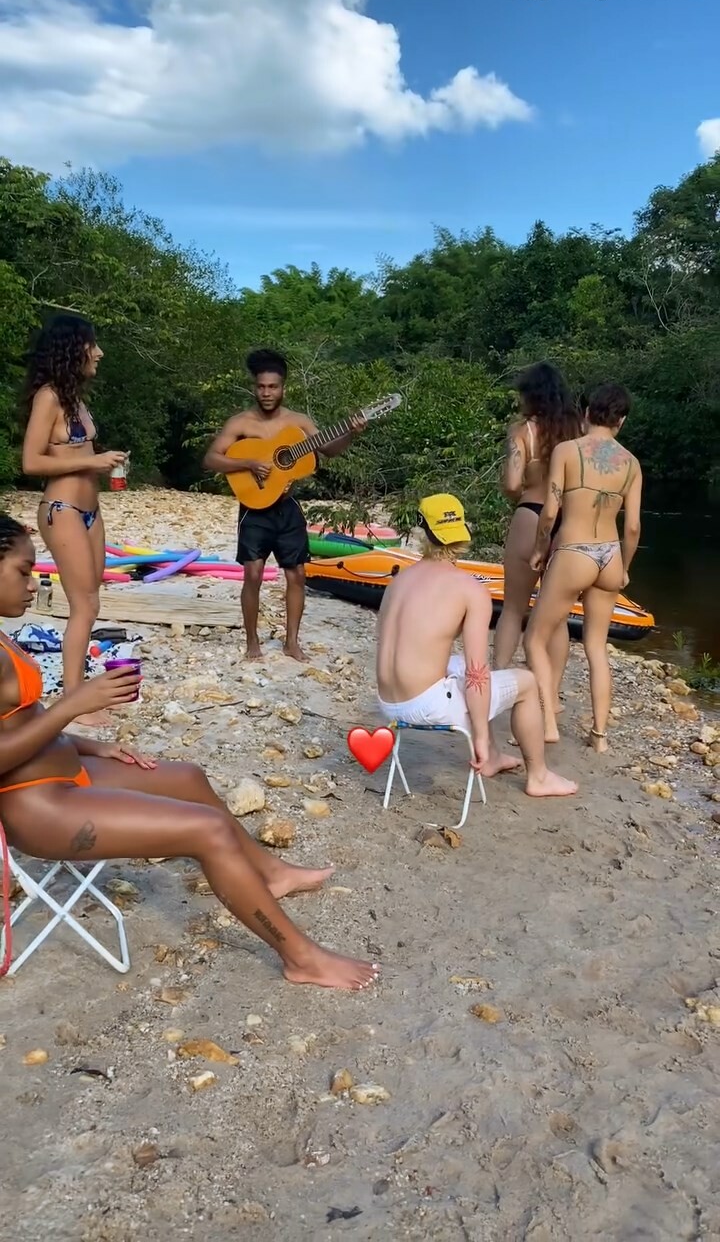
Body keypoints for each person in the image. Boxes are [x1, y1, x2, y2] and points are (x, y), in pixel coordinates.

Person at [0, 514, 379, 991]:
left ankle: (271, 872)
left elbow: (20, 721)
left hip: (64, 771)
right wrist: (72, 707)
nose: (33, 584)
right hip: (38, 808)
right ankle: (300, 957)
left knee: (186, 778)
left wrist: (93, 745)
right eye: (23, 571)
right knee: (207, 830)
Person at [375, 495, 578, 798]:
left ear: (422, 531)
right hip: (426, 706)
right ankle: (538, 776)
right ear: (462, 532)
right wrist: (480, 736)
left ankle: (495, 757)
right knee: (526, 682)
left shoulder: (398, 582)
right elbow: (477, 672)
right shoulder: (470, 590)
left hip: (388, 702)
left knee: (456, 663)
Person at [203, 349, 365, 663]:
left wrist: (351, 434)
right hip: (254, 508)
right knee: (253, 574)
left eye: (273, 387)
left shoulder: (298, 423)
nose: (267, 392)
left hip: (287, 506)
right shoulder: (241, 422)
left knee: (297, 574)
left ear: (283, 389)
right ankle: (252, 642)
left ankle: (291, 642)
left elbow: (329, 449)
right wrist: (249, 463)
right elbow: (210, 459)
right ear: (255, 387)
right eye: (261, 387)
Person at [21, 314, 128, 728]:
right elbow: (31, 462)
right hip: (62, 509)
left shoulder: (76, 399)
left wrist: (102, 462)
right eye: (92, 345)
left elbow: (77, 453)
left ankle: (77, 689)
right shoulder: (48, 397)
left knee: (91, 600)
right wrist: (92, 462)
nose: (99, 353)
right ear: (72, 349)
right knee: (84, 605)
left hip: (90, 511)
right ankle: (74, 699)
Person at [523, 383, 642, 752]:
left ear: (587, 413)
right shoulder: (631, 464)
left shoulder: (567, 450)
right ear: (621, 420)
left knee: (535, 638)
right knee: (596, 647)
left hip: (575, 551)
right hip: (610, 554)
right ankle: (600, 736)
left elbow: (550, 511)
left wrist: (540, 549)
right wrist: (625, 568)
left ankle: (547, 723)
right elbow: (633, 527)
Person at [493, 363, 582, 718]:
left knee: (513, 608)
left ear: (530, 395)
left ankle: (498, 686)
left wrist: (516, 492)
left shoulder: (523, 431)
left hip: (531, 513)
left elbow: (512, 484)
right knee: (556, 617)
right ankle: (550, 698)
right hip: (569, 524)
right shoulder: (577, 430)